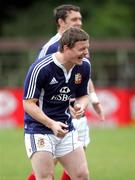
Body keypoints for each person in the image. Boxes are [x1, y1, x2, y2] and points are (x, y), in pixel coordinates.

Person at [28, 4, 105, 180]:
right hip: (53, 115)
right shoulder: (50, 48)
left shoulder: (81, 42)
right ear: (61, 21)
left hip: (74, 112)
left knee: (78, 169)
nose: (79, 23)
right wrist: (50, 116)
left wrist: (93, 100)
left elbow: (83, 76)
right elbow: (39, 82)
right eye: (74, 19)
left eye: (80, 19)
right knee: (48, 167)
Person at [24, 27, 90, 180]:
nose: (86, 53)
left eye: (87, 48)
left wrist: (80, 106)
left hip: (66, 128)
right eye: (82, 49)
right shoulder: (40, 68)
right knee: (46, 177)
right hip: (39, 130)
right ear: (66, 47)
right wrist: (51, 124)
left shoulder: (84, 66)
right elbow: (28, 104)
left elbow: (83, 95)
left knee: (81, 175)